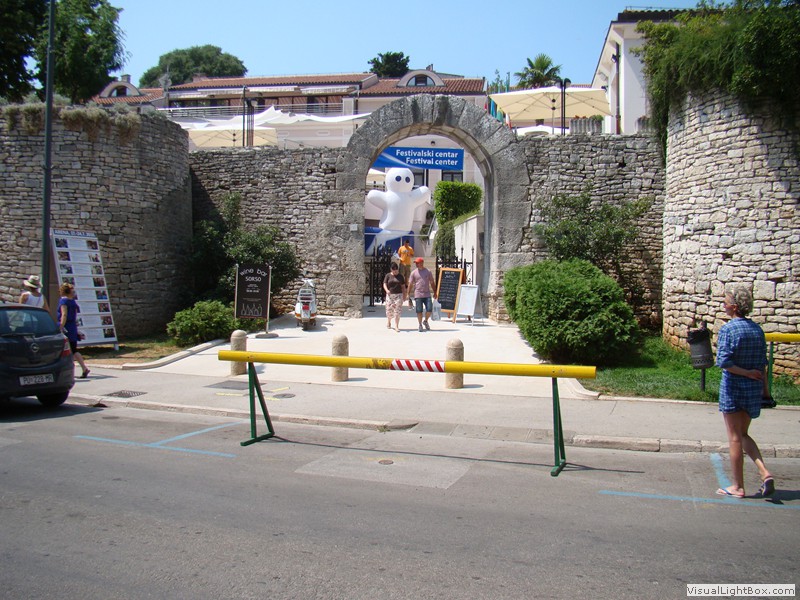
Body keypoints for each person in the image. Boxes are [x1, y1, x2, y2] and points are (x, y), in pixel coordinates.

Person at [714, 284, 774, 498]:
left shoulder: (729, 329)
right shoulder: (757, 330)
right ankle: (765, 472)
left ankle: (737, 486)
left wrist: (745, 372)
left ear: (734, 306)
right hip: (753, 390)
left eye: (726, 302)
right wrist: (765, 391)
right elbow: (763, 363)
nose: (724, 306)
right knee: (743, 433)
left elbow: (724, 362)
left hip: (733, 388)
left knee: (734, 437)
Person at [57, 282, 90, 379]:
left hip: (66, 327)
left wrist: (61, 326)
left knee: (65, 350)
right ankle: (83, 368)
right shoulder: (73, 302)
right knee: (74, 349)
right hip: (72, 327)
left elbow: (64, 315)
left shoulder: (63, 301)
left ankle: (70, 370)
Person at [407, 257, 437, 332]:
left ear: (422, 263)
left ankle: (425, 321)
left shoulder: (428, 272)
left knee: (429, 309)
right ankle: (420, 324)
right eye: (416, 263)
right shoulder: (413, 273)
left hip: (427, 294)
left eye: (418, 263)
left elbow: (432, 282)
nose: (416, 264)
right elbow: (410, 284)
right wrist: (408, 293)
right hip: (418, 294)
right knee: (419, 310)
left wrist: (435, 292)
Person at [383, 263, 406, 332]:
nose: (395, 271)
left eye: (396, 269)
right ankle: (389, 321)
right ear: (391, 269)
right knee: (389, 310)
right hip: (390, 295)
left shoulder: (400, 276)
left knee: (397, 310)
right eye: (394, 270)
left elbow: (403, 286)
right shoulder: (388, 276)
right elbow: (384, 284)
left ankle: (396, 326)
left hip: (398, 295)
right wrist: (387, 290)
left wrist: (404, 295)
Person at [398, 239, 414, 307]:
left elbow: (412, 255)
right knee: (401, 276)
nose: (406, 244)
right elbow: (399, 254)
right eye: (405, 243)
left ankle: (406, 289)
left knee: (407, 277)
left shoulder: (410, 248)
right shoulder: (401, 248)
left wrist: (409, 255)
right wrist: (400, 258)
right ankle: (401, 288)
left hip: (408, 264)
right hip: (402, 263)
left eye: (407, 243)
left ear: (408, 243)